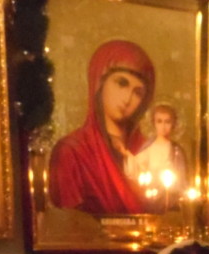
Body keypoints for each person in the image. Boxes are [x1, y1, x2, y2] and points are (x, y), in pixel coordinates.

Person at [49, 40, 155, 215]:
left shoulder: (148, 151)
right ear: (99, 82)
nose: (127, 98)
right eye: (121, 83)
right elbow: (70, 220)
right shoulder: (72, 151)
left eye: (138, 92)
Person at [130, 103, 189, 213]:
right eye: (159, 121)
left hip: (170, 198)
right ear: (154, 123)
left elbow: (181, 179)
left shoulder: (177, 150)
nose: (163, 126)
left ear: (173, 124)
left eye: (167, 122)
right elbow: (134, 168)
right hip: (151, 196)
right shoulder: (148, 148)